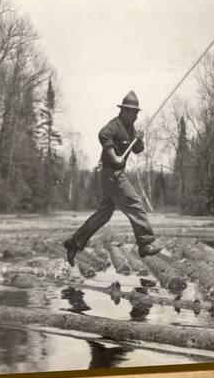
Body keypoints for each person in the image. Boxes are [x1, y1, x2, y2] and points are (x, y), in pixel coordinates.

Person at [63, 90, 162, 266]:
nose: (136, 116)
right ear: (124, 111)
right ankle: (145, 243)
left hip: (116, 175)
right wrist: (115, 156)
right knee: (135, 204)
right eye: (134, 113)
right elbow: (108, 145)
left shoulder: (130, 128)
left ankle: (75, 242)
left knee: (103, 215)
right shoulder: (112, 127)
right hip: (112, 175)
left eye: (138, 113)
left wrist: (139, 140)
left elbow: (138, 150)